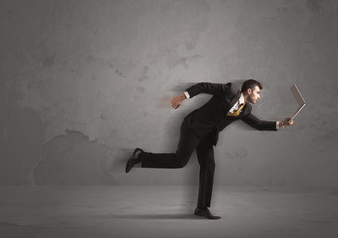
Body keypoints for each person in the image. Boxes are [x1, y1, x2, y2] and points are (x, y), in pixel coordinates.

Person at [125, 79, 293, 219]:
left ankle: (202, 208)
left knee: (209, 165)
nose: (259, 97)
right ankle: (141, 156)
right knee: (179, 161)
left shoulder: (246, 109)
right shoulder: (229, 90)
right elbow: (204, 86)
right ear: (248, 91)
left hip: (207, 136)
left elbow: (259, 124)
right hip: (193, 127)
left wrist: (281, 124)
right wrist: (182, 97)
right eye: (258, 93)